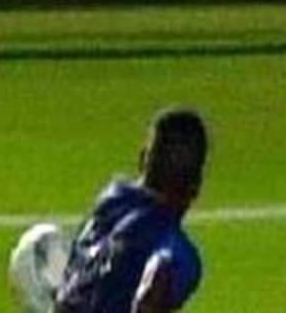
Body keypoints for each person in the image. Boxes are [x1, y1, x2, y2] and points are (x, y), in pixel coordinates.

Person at [54, 108, 209, 313]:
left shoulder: (108, 201)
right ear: (196, 185)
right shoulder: (175, 250)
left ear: (143, 159)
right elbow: (151, 293)